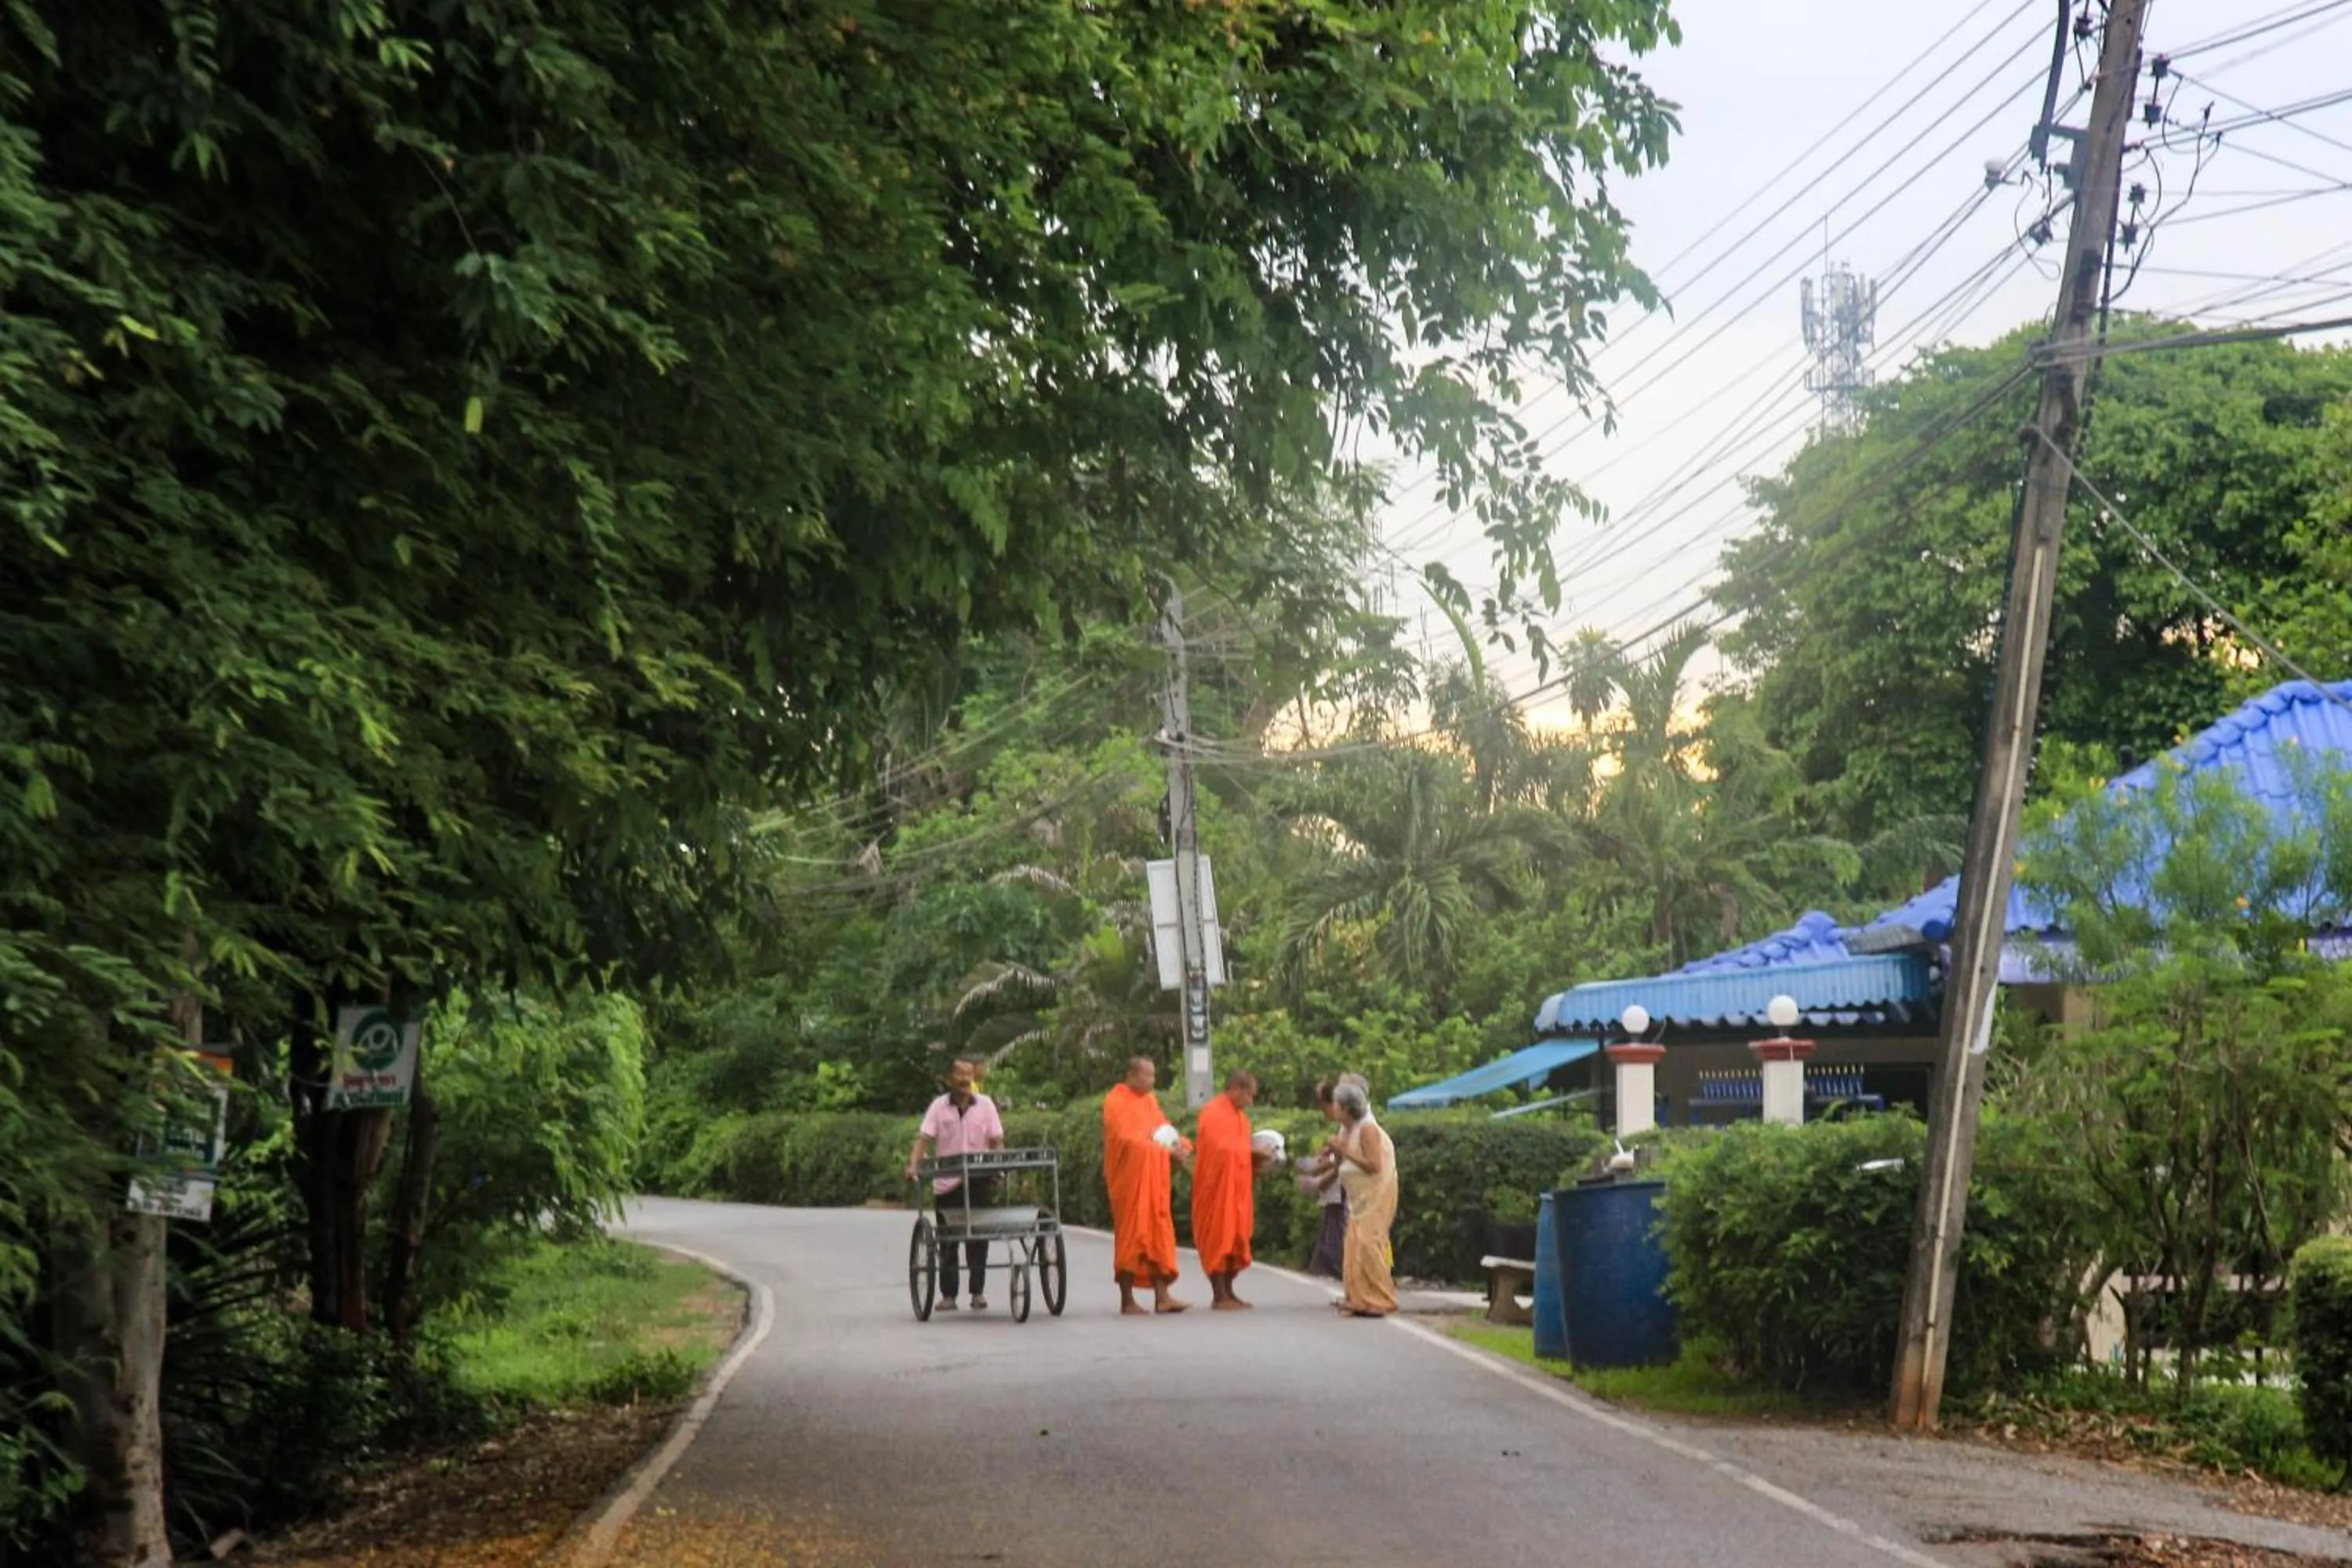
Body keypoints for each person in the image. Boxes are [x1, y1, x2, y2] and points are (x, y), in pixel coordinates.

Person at [906, 1055, 1005, 1312]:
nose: (965, 1079)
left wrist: (1000, 1166)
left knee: (978, 1239)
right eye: (960, 1074)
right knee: (948, 1240)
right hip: (947, 1183)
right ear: (950, 1077)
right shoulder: (939, 1107)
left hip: (978, 1180)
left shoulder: (986, 1105)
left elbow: (997, 1141)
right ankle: (949, 1295)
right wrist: (913, 1166)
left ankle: (977, 1292)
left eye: (969, 1075)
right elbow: (923, 1138)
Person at [1102, 1055, 1192, 1316]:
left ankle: (1162, 1297)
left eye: (1153, 1075)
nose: (1152, 1080)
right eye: (1146, 1075)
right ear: (1131, 1075)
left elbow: (1162, 1130)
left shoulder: (1149, 1101)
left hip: (1153, 1182)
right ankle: (1127, 1300)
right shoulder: (1116, 1101)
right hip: (1129, 1183)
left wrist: (1180, 1145)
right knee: (1131, 1238)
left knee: (1158, 1236)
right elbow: (1128, 1140)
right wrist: (1164, 1153)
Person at [1190, 1069, 1273, 1311]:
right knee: (1219, 1238)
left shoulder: (1241, 1119)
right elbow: (1221, 1150)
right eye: (1249, 1095)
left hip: (1237, 1191)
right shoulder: (1213, 1112)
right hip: (1216, 1190)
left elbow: (1238, 1154)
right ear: (1235, 1089)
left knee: (1236, 1238)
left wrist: (1257, 1162)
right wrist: (1252, 1153)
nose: (1251, 1101)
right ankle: (1219, 1295)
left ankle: (1229, 1291)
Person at [1331, 1079, 1399, 1318]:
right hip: (1358, 1198)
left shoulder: (1368, 1129)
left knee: (1370, 1244)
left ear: (1346, 1108)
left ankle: (1383, 1298)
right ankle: (1359, 1298)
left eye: (1336, 1104)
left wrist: (1343, 1150)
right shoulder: (1346, 1129)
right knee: (1354, 1246)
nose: (1332, 1108)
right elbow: (1343, 1161)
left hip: (1377, 1193)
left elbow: (1373, 1164)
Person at [1303, 1075, 1354, 1279]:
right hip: (1342, 1187)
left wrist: (1320, 1179)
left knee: (1345, 1233)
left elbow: (1347, 1158)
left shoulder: (1357, 1124)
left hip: (1354, 1189)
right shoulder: (1343, 1126)